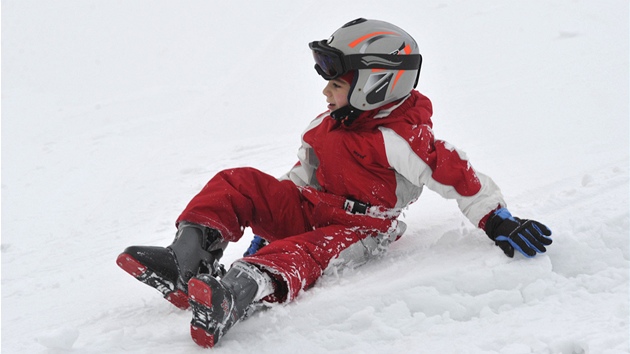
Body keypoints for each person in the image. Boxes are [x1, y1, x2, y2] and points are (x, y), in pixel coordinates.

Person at [117, 18, 552, 348]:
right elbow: (301, 175)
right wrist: (270, 219)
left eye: (336, 83)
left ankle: (237, 292)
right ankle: (186, 259)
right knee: (238, 182)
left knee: (303, 251)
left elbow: (457, 176)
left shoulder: (401, 138)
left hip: (360, 229)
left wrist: (498, 220)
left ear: (377, 84)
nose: (326, 91)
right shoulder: (326, 125)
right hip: (311, 205)